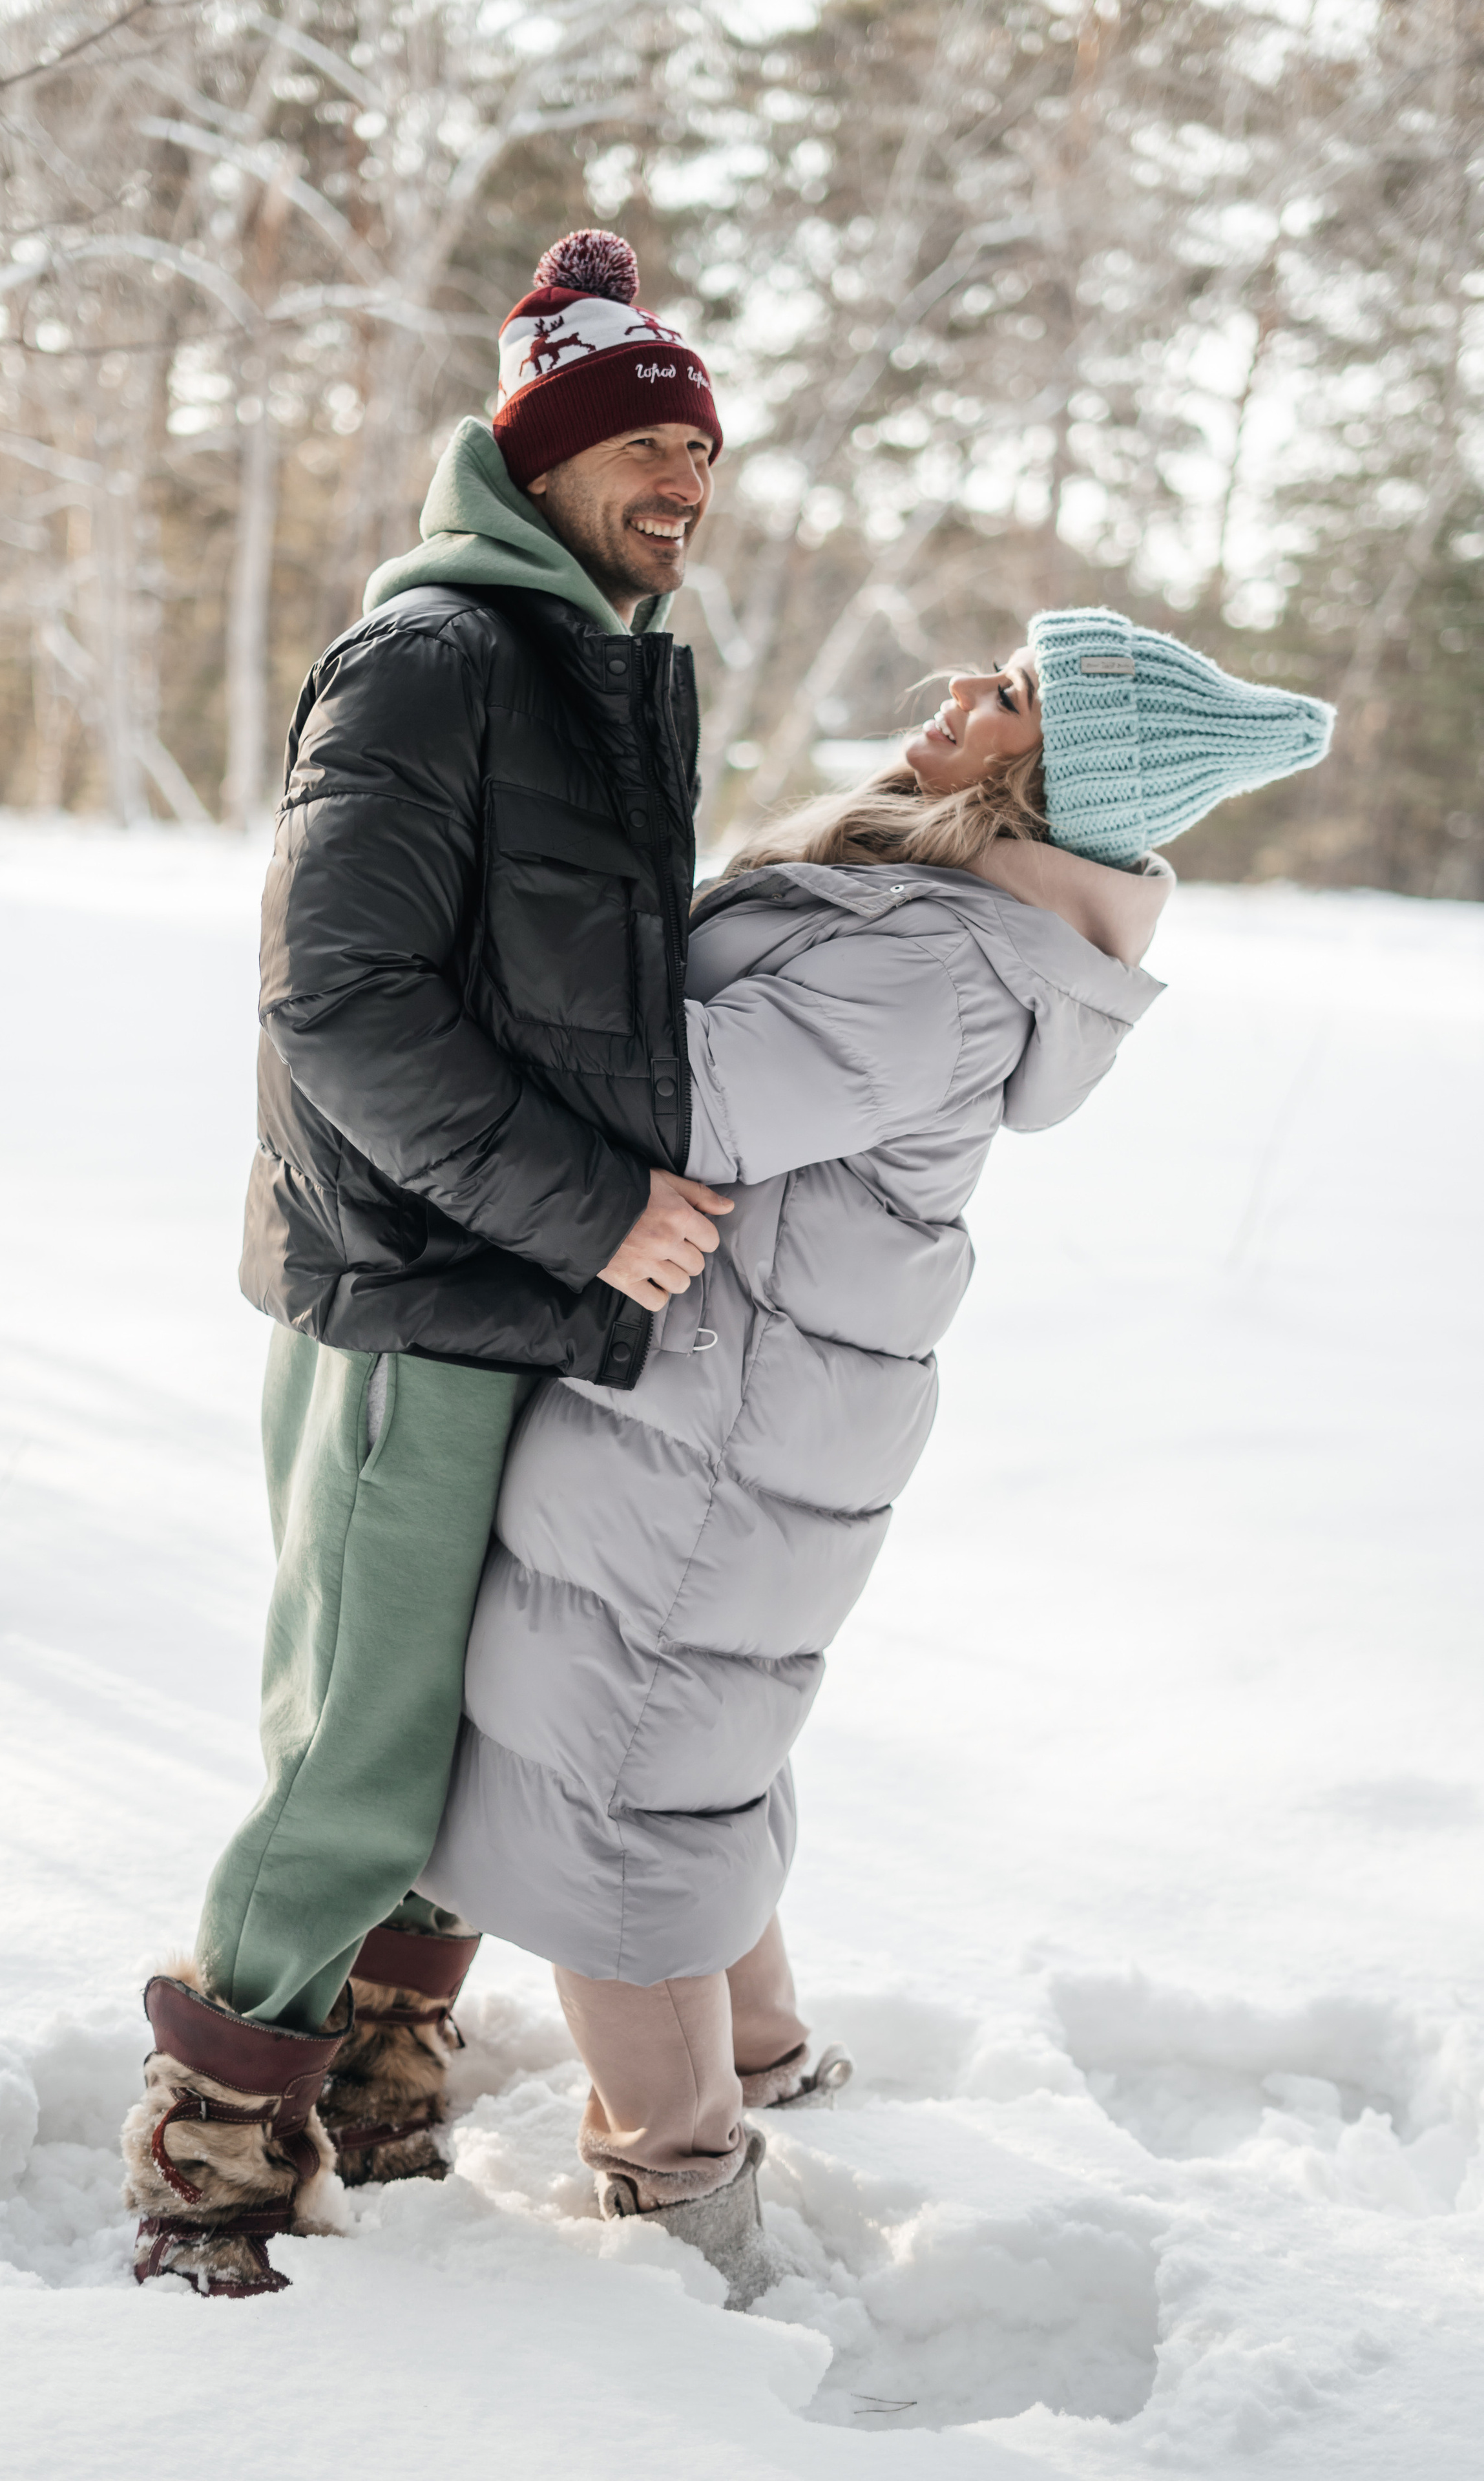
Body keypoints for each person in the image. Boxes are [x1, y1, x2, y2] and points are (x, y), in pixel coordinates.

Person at [416, 610, 1335, 2307]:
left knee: (617, 1799)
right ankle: (762, 2056)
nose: (956, 705)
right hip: (727, 1415)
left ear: (1050, 781)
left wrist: (486, 925)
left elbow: (675, 1096)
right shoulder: (947, 923)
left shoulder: (939, 959)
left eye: (1007, 702)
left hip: (712, 1438)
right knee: (680, 1756)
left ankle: (682, 2211)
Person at [121, 230, 743, 2297]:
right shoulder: (441, 659)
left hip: (532, 1297)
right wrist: (593, 1208)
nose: (686, 483)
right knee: (361, 1738)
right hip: (414, 1289)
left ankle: (381, 2072)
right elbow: (345, 1003)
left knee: (477, 1722)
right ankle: (213, 2144)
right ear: (539, 458)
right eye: (647, 443)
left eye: (704, 451)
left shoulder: (606, 662)